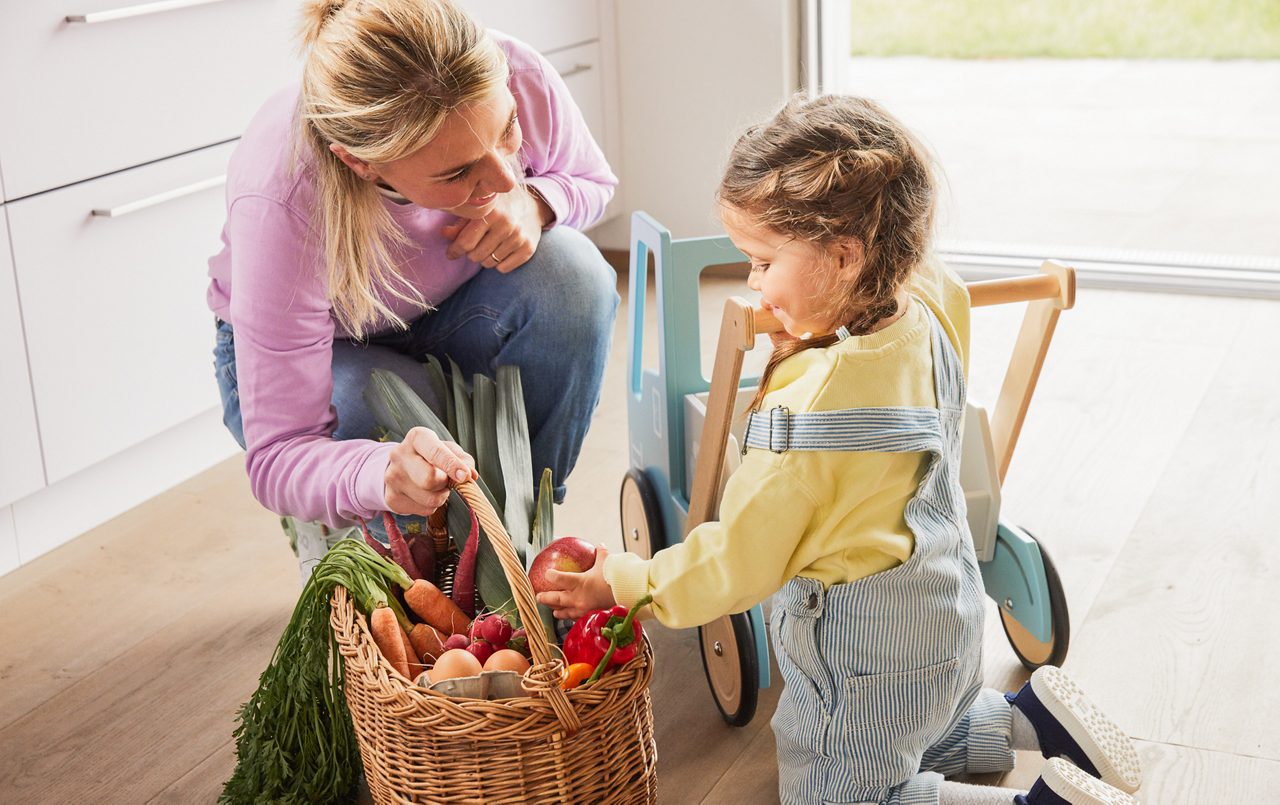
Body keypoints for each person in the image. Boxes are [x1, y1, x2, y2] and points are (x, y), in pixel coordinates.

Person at [537, 95, 1143, 805]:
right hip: (947, 614)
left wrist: (628, 581)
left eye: (763, 261)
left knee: (839, 792)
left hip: (865, 660)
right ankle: (1034, 724)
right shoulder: (928, 301)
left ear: (846, 258)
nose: (753, 283)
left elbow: (736, 560)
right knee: (927, 724)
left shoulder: (806, 421)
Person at [207, 0, 619, 574]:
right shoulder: (283, 196)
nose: (504, 179)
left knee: (573, 273)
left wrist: (540, 201)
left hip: (451, 307)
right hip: (324, 354)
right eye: (457, 172)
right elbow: (279, 454)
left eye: (508, 134)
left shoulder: (505, 70)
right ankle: (365, 534)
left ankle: (516, 543)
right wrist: (377, 472)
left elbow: (592, 179)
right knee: (382, 413)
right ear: (362, 165)